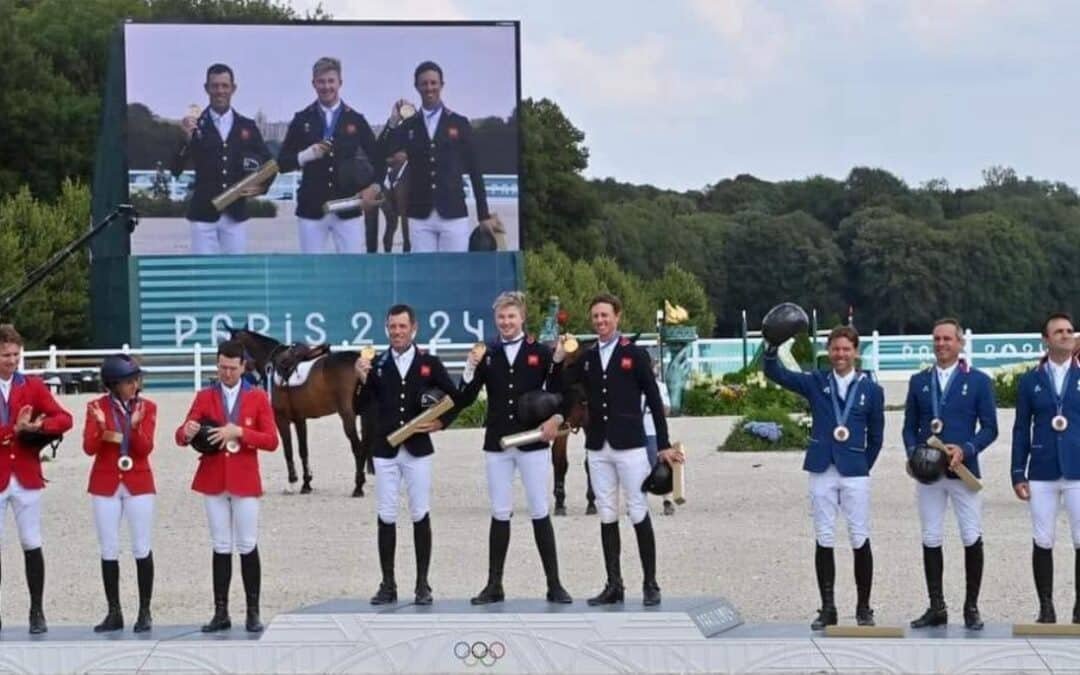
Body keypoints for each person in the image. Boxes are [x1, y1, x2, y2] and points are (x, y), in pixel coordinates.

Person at [565, 294, 684, 607]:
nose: (600, 321)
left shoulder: (634, 354)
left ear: (617, 317)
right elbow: (563, 383)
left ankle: (650, 582)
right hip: (598, 445)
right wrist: (560, 356)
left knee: (637, 509)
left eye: (605, 316)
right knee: (606, 513)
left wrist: (662, 444)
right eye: (595, 317)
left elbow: (654, 402)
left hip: (629, 443)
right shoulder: (588, 356)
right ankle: (614, 583)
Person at [763, 325, 885, 629]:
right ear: (828, 351)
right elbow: (778, 374)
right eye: (835, 349)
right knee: (825, 536)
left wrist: (862, 464)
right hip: (822, 467)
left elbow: (878, 436)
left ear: (855, 352)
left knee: (859, 537)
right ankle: (828, 607)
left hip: (855, 469)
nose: (840, 354)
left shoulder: (871, 389)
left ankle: (864, 607)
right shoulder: (817, 382)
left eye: (846, 349)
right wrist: (769, 349)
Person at [457, 291, 572, 604]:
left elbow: (560, 389)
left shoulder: (540, 351)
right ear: (496, 320)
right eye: (501, 318)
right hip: (497, 443)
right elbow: (466, 397)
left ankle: (554, 583)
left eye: (511, 317)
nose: (506, 322)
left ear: (522, 318)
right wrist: (469, 367)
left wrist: (557, 417)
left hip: (532, 442)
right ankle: (494, 584)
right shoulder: (488, 352)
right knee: (500, 512)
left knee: (539, 509)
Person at [354, 304, 463, 605]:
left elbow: (454, 398)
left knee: (419, 512)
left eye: (402, 327)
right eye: (393, 327)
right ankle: (388, 583)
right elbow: (361, 406)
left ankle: (422, 584)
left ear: (413, 328)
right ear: (386, 328)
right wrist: (361, 380)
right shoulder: (376, 364)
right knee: (386, 514)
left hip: (417, 449)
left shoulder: (429, 362)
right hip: (385, 448)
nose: (397, 332)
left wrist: (441, 423)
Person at [175, 340, 278, 633]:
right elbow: (181, 435)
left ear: (243, 367)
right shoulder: (205, 396)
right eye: (222, 368)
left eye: (232, 368)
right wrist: (187, 432)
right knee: (220, 545)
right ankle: (221, 611)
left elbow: (271, 441)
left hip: (244, 477)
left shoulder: (257, 397)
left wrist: (241, 432)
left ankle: (253, 611)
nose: (227, 373)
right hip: (214, 477)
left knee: (247, 544)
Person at [902, 318, 997, 630]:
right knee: (930, 536)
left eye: (947, 339)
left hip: (962, 470)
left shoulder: (980, 381)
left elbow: (991, 428)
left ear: (960, 343)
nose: (941, 344)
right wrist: (915, 457)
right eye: (937, 339)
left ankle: (971, 607)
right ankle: (937, 606)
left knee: (970, 535)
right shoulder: (919, 381)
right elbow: (909, 427)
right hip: (930, 474)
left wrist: (966, 449)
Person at [0, 324, 73, 634]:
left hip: (27, 474)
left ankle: (37, 610)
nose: (12, 360)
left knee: (31, 542)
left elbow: (64, 418)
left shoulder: (32, 385)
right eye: (5, 355)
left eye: (16, 354)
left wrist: (37, 429)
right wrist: (11, 431)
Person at [384, 61, 496, 253]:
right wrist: (393, 121)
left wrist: (483, 214)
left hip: (453, 214)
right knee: (425, 279)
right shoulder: (409, 125)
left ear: (441, 85)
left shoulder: (459, 123)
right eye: (424, 83)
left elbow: (475, 170)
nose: (429, 88)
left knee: (453, 277)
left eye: (433, 83)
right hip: (420, 217)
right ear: (417, 87)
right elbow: (384, 151)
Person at [1011, 312, 1080, 624]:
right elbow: (1020, 428)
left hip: (1078, 468)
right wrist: (1017, 472)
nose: (1066, 335)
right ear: (1046, 339)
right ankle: (1046, 607)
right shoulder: (1030, 381)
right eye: (1059, 331)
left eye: (1069, 331)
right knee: (1043, 539)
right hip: (1042, 469)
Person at [82, 354, 158, 633]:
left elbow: (144, 448)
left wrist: (133, 426)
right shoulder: (95, 407)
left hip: (138, 481)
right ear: (113, 384)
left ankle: (145, 611)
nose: (136, 384)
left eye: (136, 379)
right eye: (129, 381)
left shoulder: (148, 407)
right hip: (106, 482)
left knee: (141, 546)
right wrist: (103, 427)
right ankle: (114, 611)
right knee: (109, 548)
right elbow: (89, 448)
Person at [278, 57, 383, 254]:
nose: (326, 87)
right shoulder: (302, 119)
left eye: (331, 81)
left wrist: (375, 187)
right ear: (313, 84)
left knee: (351, 271)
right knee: (312, 272)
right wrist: (305, 156)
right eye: (321, 81)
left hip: (348, 208)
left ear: (340, 83)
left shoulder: (356, 119)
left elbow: (378, 160)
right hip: (311, 209)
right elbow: (282, 163)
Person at [172, 63, 273, 255]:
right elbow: (175, 169)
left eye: (224, 86)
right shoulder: (194, 126)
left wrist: (262, 187)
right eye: (215, 86)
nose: (220, 91)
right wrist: (185, 139)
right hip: (203, 215)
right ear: (206, 88)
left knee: (235, 274)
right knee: (204, 275)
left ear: (233, 88)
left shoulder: (248, 126)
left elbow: (268, 162)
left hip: (236, 216)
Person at [643, 361, 675, 516]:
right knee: (637, 469)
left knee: (660, 467)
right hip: (636, 432)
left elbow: (667, 410)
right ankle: (639, 502)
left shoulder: (660, 386)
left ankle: (667, 499)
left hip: (652, 431)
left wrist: (655, 403)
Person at [364, 150, 411, 253]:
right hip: (387, 185)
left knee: (400, 219)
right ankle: (388, 251)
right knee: (394, 220)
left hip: (406, 167)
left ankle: (406, 250)